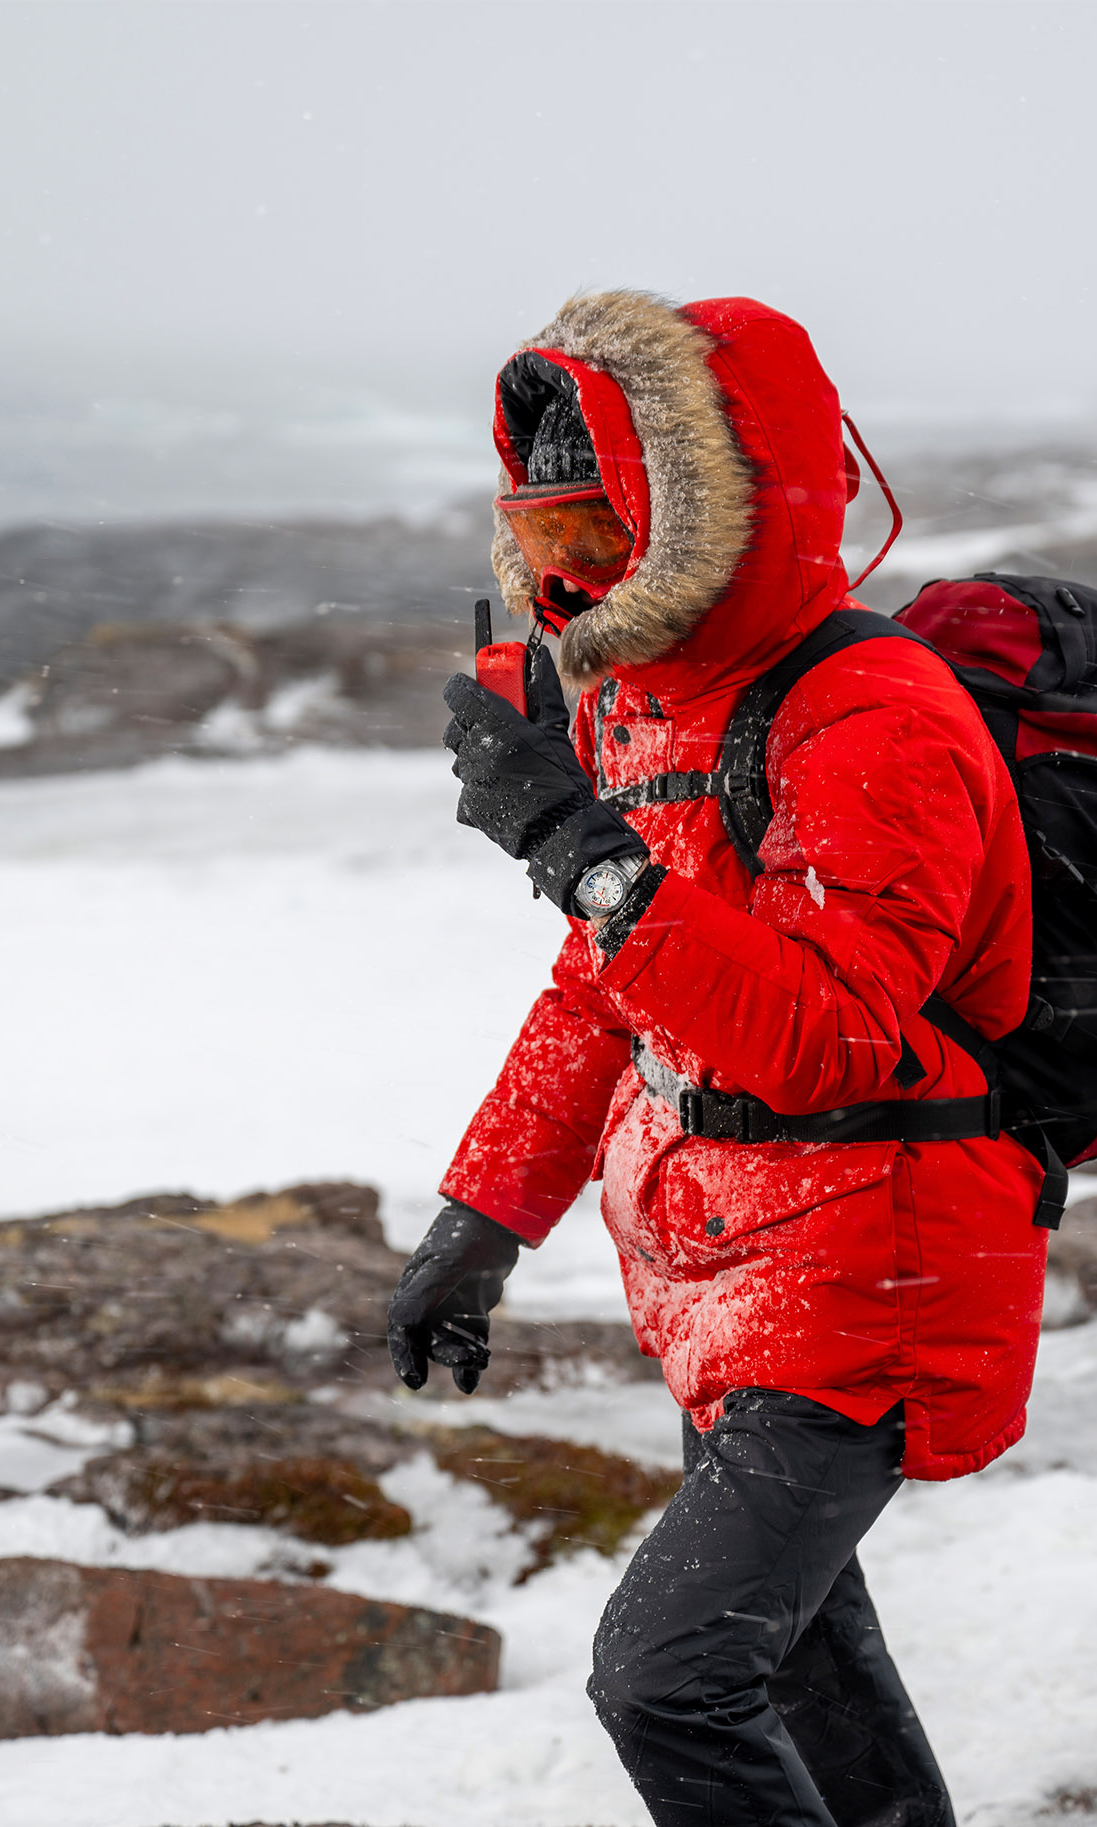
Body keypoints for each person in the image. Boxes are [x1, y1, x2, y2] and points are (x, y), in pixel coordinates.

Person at [387, 290, 1047, 1827]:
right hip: (733, 1257)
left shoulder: (873, 717)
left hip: (871, 1266)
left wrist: (572, 844)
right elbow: (601, 994)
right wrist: (475, 1230)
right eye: (544, 542)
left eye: (600, 543)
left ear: (712, 516)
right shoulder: (655, 704)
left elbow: (826, 1039)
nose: (567, 587)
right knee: (807, 1666)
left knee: (665, 1674)